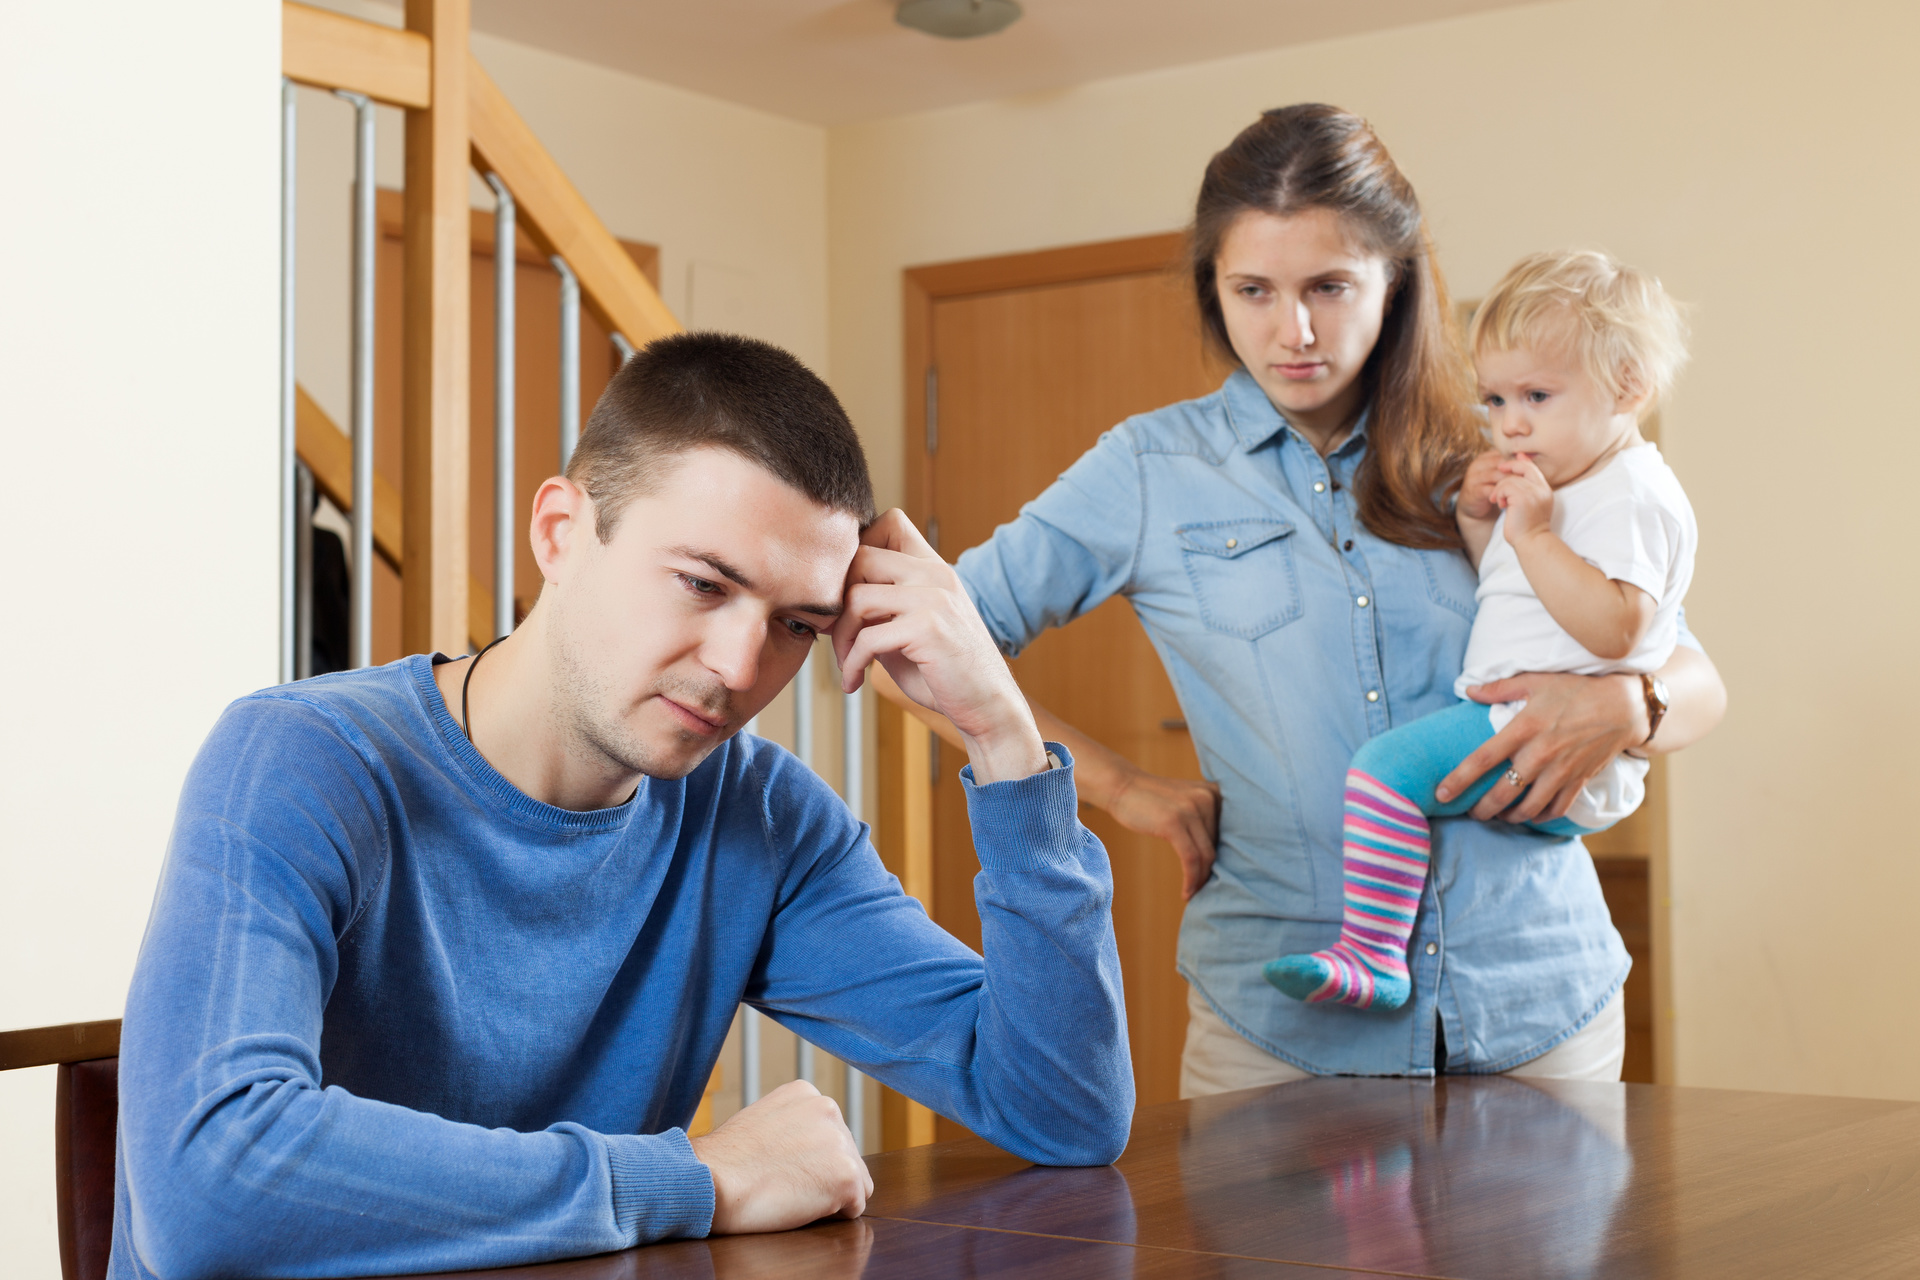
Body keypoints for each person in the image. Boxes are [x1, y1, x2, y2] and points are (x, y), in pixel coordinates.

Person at [110, 333, 1131, 1280]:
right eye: (700, 583)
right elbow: (210, 1186)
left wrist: (1001, 734)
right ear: (561, 530)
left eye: (795, 623)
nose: (740, 666)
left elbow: (1064, 1106)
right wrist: (699, 1180)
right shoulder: (300, 759)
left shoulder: (762, 821)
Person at [953, 105, 1726, 1093]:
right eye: (1254, 290)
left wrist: (1629, 704)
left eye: (1329, 285)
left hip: (1539, 1002)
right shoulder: (1150, 468)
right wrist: (1118, 787)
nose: (1295, 330)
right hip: (1280, 1033)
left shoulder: (1496, 447)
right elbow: (927, 645)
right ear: (1214, 291)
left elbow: (1690, 670)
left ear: (1394, 282)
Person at [1266, 249, 1697, 1010]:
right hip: (1518, 723)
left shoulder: (1631, 494)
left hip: (1535, 729)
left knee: (1382, 772)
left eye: (1537, 395)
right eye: (1494, 400)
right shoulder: (1568, 482)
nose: (1510, 424)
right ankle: (1375, 952)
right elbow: (1509, 595)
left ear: (1629, 387)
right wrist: (1480, 524)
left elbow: (1621, 630)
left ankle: (1371, 956)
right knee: (1393, 772)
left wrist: (1534, 537)